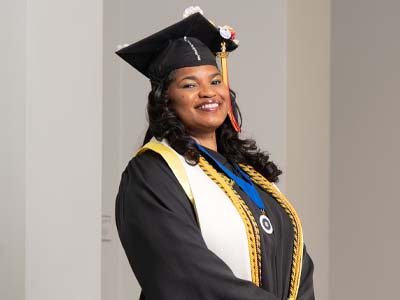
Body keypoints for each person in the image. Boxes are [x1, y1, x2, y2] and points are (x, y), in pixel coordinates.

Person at [115, 7, 315, 300]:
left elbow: (298, 265)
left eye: (215, 81)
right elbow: (187, 274)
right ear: (165, 100)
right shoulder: (152, 173)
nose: (208, 92)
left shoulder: (249, 174)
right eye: (189, 85)